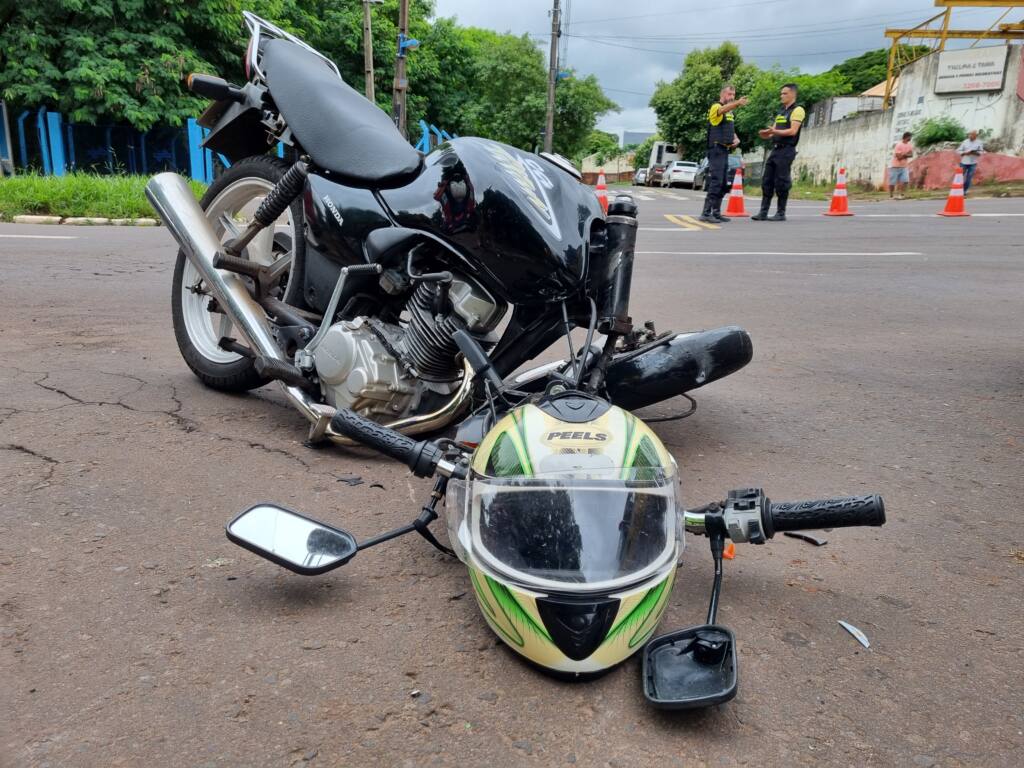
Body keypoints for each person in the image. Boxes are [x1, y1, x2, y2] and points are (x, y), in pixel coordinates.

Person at [752, 83, 805, 222]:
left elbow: (793, 131)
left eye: (785, 93)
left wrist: (774, 131)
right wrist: (765, 134)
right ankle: (763, 212)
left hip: (787, 150)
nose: (781, 96)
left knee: (782, 181)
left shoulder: (798, 110)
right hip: (775, 150)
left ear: (793, 94)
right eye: (781, 93)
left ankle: (781, 213)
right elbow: (772, 132)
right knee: (767, 181)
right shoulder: (781, 112)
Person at [699, 85, 748, 224]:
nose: (731, 97)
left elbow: (728, 127)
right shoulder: (716, 106)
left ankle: (716, 212)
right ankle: (706, 213)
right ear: (722, 95)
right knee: (716, 181)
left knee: (724, 183)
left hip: (725, 150)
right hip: (716, 149)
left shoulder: (731, 112)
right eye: (729, 94)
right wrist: (737, 103)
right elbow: (721, 111)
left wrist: (735, 138)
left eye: (733, 94)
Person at [957, 130, 984, 195]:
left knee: (969, 178)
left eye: (972, 135)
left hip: (973, 163)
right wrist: (965, 153)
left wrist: (976, 153)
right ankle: (957, 190)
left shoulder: (979, 142)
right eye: (969, 134)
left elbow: (981, 152)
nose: (970, 136)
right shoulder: (965, 142)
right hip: (964, 162)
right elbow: (958, 150)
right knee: (960, 177)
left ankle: (964, 191)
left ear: (976, 136)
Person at [889, 132, 914, 199]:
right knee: (892, 182)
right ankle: (891, 195)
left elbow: (911, 155)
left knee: (905, 181)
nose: (910, 138)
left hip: (904, 166)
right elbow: (898, 157)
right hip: (895, 166)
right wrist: (906, 154)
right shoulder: (899, 145)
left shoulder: (910, 145)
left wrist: (903, 155)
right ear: (907, 137)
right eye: (910, 137)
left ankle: (901, 194)